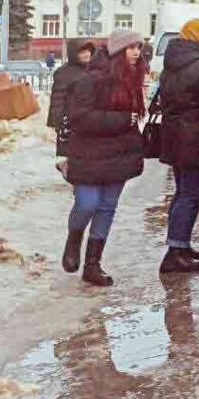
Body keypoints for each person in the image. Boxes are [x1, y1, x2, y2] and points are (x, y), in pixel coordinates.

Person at [60, 29, 147, 286]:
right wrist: (121, 120)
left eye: (139, 48)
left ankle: (93, 265)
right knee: (87, 204)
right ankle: (74, 237)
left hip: (119, 154)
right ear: (118, 51)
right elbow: (80, 118)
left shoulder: (132, 78)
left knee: (107, 207)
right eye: (131, 48)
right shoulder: (90, 80)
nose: (136, 53)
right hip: (88, 154)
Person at [157, 19, 199, 275]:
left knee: (183, 192)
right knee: (191, 195)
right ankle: (175, 252)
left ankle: (180, 246)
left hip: (175, 138)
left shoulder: (171, 65)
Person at [47, 39, 96, 156]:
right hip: (70, 123)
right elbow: (58, 99)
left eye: (88, 51)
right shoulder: (64, 73)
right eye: (82, 51)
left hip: (91, 122)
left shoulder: (94, 70)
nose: (87, 54)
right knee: (70, 159)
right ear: (74, 53)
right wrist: (58, 123)